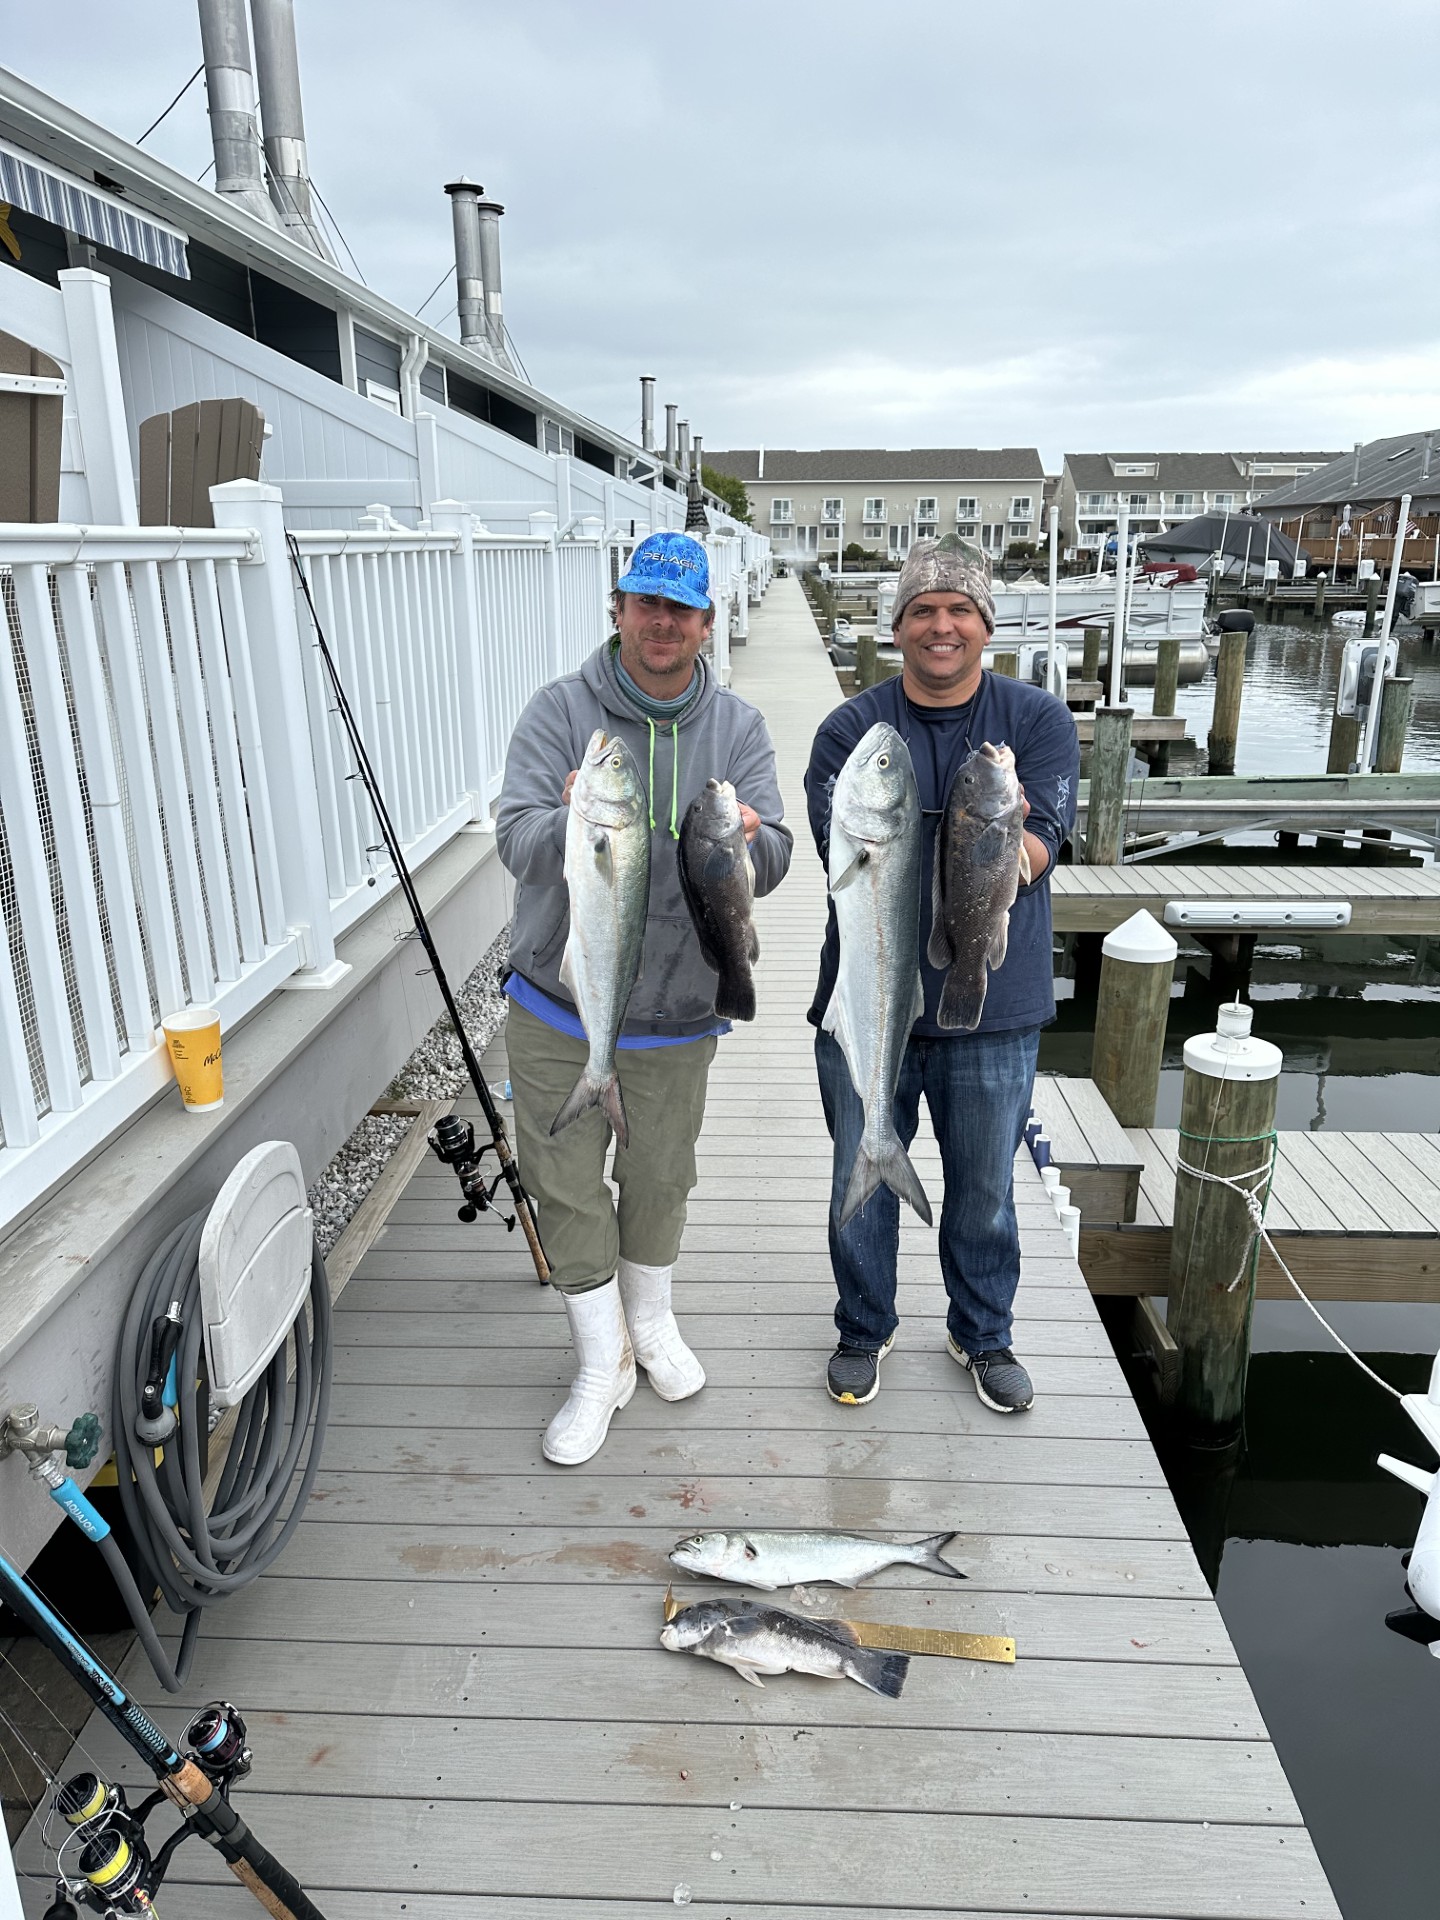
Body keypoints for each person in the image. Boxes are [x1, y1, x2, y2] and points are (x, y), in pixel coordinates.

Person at [497, 531, 792, 1465]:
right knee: (560, 1177)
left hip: (679, 1006)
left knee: (662, 1176)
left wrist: (747, 841)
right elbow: (514, 838)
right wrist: (575, 819)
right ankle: (600, 1360)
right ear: (619, 610)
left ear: (706, 623)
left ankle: (651, 1323)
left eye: (680, 609)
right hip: (559, 999)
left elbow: (779, 854)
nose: (661, 623)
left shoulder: (738, 730)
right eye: (645, 604)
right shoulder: (560, 712)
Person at [804, 536, 1078, 1413]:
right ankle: (863, 1325)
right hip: (868, 999)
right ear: (898, 627)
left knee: (987, 1190)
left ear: (986, 625)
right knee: (860, 1162)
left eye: (960, 609)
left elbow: (1049, 840)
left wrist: (1007, 849)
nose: (942, 625)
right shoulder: (854, 734)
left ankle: (982, 1333)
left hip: (994, 1002)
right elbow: (835, 849)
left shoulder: (1035, 721)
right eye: (923, 610)